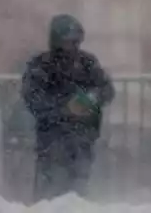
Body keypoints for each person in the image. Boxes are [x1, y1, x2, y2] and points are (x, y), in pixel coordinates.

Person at [21, 14, 115, 201]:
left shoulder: (87, 62)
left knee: (79, 189)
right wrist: (65, 109)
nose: (72, 46)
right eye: (67, 41)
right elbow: (34, 98)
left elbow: (106, 89)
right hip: (52, 138)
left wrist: (91, 99)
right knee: (49, 191)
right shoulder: (41, 65)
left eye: (75, 41)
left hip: (83, 136)